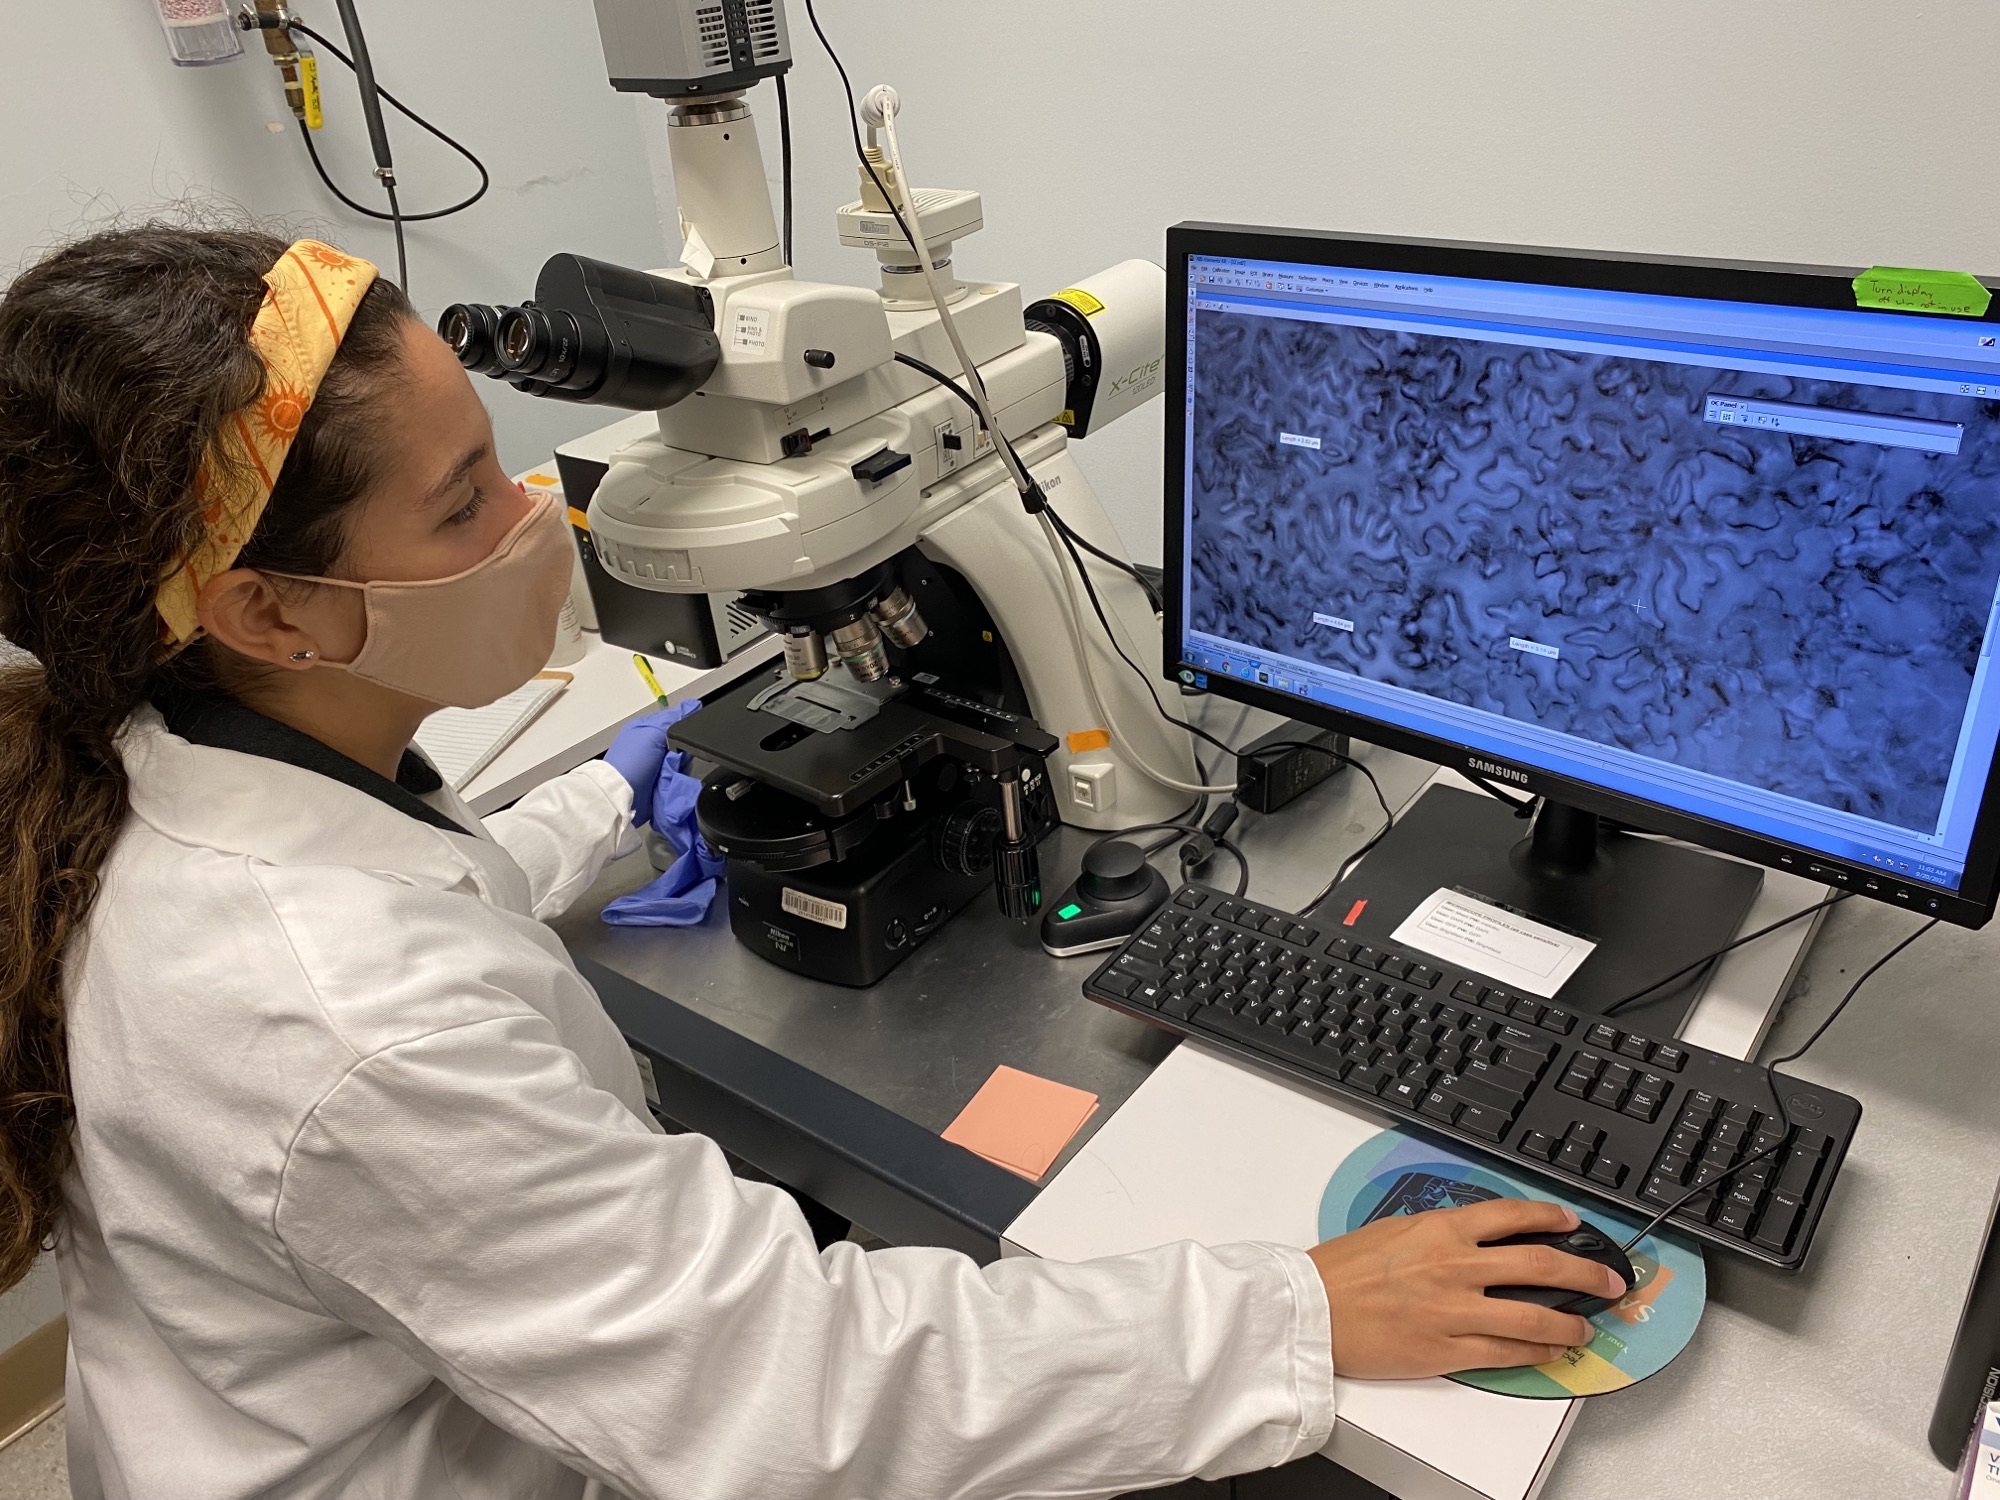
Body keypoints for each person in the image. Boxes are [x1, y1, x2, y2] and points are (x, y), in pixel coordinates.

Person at [0, 226, 1626, 1500]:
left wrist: (616, 806)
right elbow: (796, 1397)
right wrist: (1297, 1310)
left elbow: (396, 890)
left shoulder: (172, 768)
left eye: (500, 456)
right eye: (459, 505)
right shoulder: (342, 1023)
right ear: (267, 612)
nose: (528, 517)